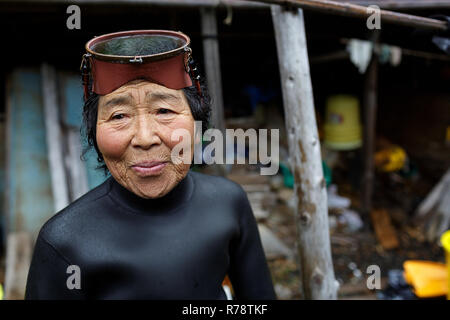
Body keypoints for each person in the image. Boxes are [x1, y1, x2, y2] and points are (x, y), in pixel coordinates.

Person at [25, 30, 276, 300]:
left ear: (197, 121)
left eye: (164, 111)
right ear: (93, 131)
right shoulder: (63, 244)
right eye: (119, 115)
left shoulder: (229, 202)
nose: (145, 138)